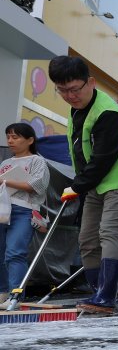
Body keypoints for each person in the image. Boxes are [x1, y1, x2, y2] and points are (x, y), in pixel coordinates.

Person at [49, 55, 118, 314]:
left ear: (90, 82)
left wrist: (77, 186)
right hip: (97, 184)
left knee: (109, 232)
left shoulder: (109, 114)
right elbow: (80, 151)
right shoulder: (78, 109)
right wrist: (82, 184)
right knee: (88, 239)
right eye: (62, 90)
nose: (69, 96)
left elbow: (103, 158)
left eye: (74, 89)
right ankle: (96, 291)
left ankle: (107, 296)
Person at [0, 123, 50, 302]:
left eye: (15, 137)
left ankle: (16, 296)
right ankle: (3, 292)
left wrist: (5, 181)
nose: (11, 141)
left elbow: (37, 186)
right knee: (1, 253)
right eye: (8, 137)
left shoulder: (37, 161)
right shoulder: (6, 163)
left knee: (15, 252)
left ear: (30, 140)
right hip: (2, 208)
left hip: (24, 210)